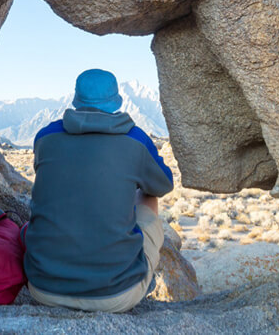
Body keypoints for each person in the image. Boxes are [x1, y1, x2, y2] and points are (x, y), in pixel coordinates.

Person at [22, 68, 174, 313]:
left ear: (75, 98)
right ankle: (137, 277)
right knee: (147, 195)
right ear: (116, 100)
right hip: (114, 296)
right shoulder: (135, 139)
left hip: (43, 288)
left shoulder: (45, 137)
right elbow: (163, 185)